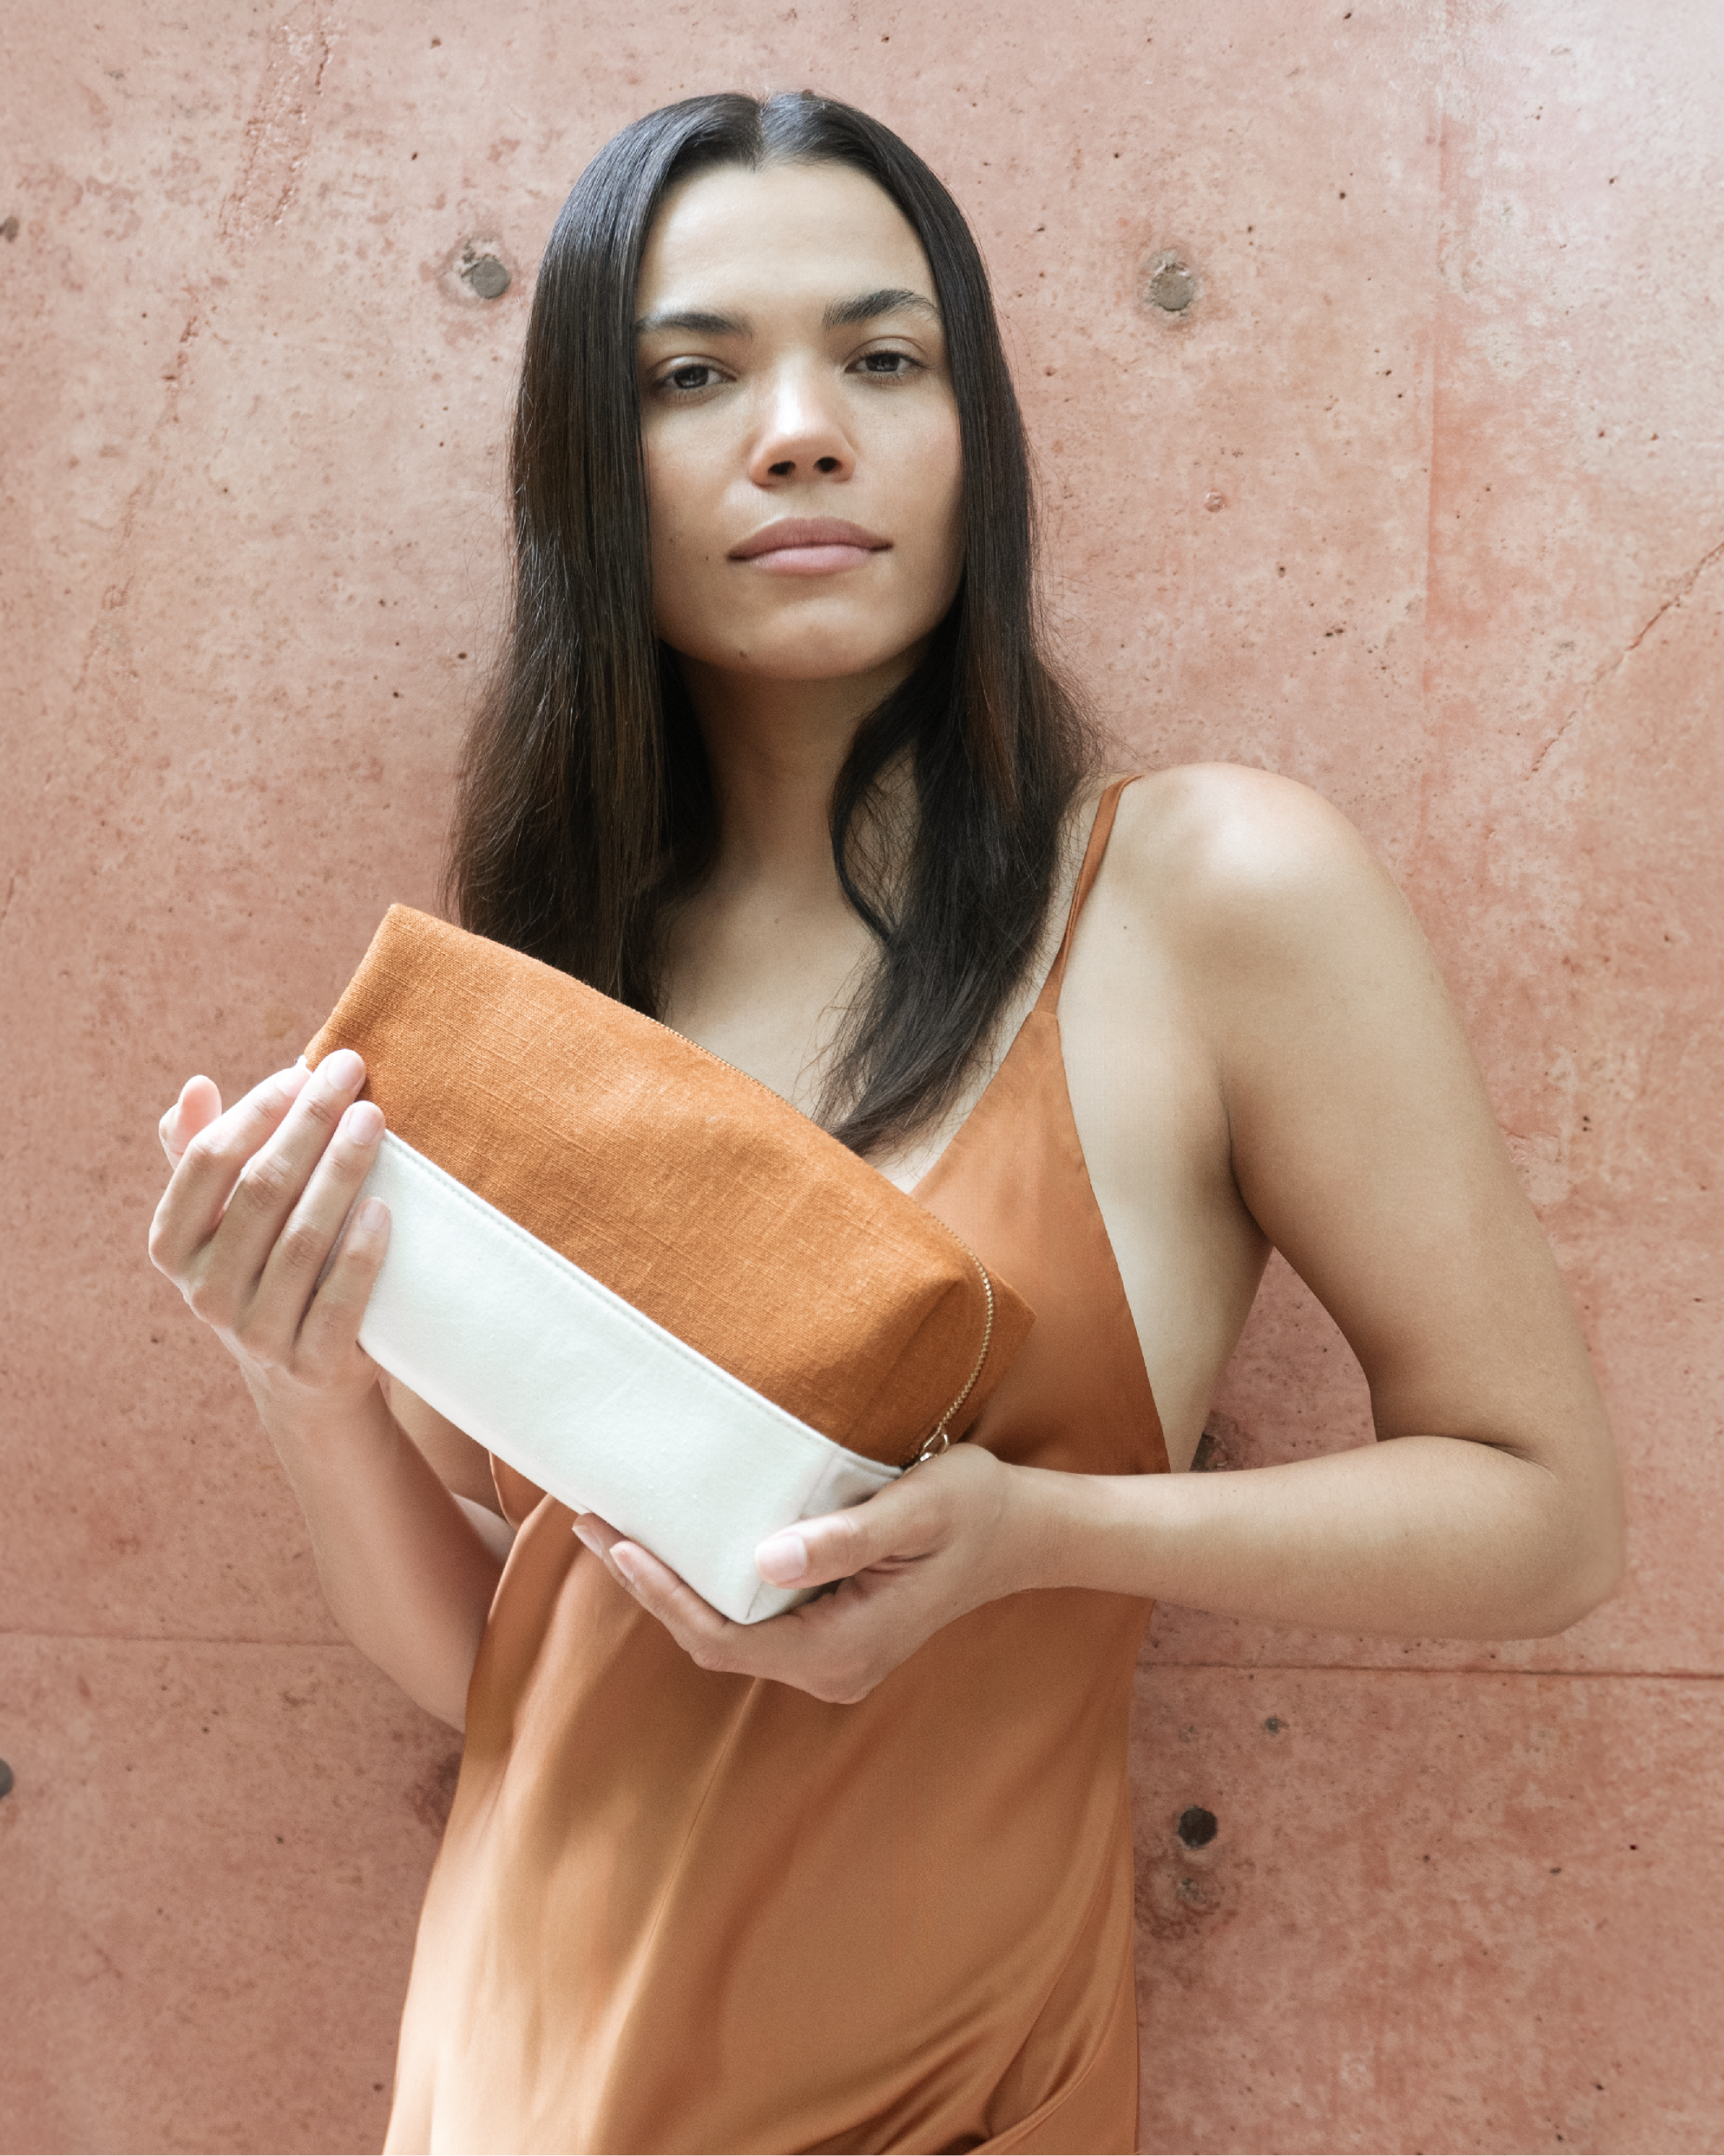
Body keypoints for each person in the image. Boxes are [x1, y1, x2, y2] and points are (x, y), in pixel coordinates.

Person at [148, 91, 1623, 2155]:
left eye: (883, 355)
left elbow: (1544, 1512)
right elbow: (517, 1654)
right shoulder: (555, 982)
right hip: (507, 2081)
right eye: (692, 373)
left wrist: (1044, 1540)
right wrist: (294, 1376)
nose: (802, 428)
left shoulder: (1208, 895)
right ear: (592, 462)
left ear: (971, 437)